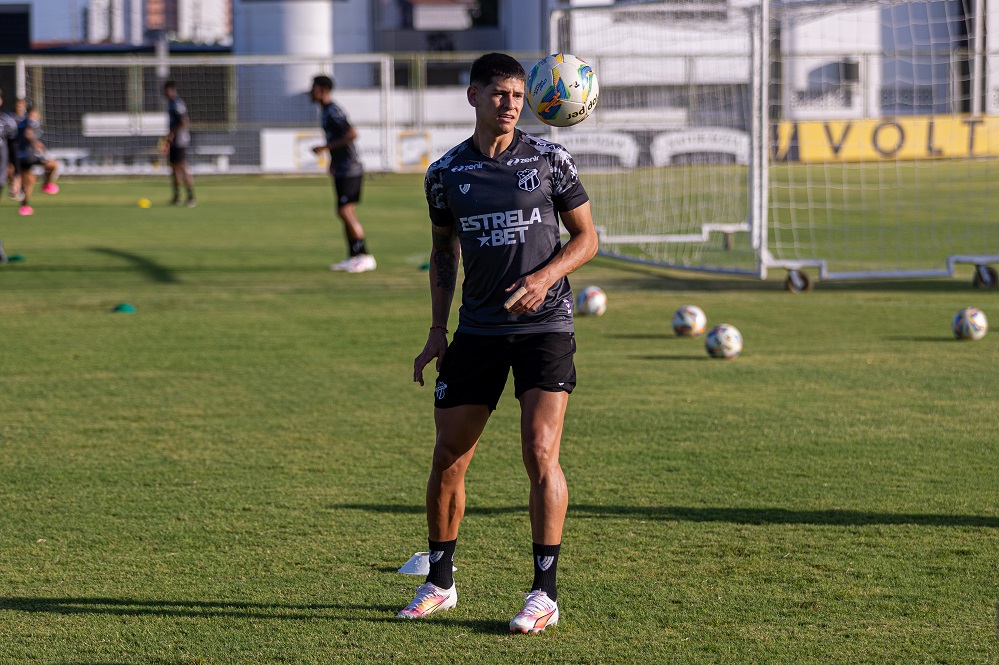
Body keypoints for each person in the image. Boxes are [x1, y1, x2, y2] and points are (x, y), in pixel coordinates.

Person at [402, 53, 599, 633]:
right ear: (473, 97)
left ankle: (544, 593)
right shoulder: (444, 174)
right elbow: (444, 252)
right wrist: (438, 331)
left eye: (517, 95)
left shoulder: (550, 159)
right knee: (448, 458)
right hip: (479, 331)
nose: (510, 104)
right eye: (498, 94)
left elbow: (587, 239)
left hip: (546, 327)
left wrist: (543, 279)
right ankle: (440, 582)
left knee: (541, 453)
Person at [309, 74, 375, 273]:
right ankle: (353, 256)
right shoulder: (325, 111)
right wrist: (331, 160)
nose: (310, 93)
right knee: (345, 211)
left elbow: (351, 133)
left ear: (322, 89)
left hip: (350, 168)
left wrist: (326, 147)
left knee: (345, 211)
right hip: (342, 167)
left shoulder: (333, 111)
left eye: (313, 88)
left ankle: (364, 255)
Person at [15, 106, 60, 216]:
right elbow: (28, 133)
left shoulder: (19, 123)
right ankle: (47, 185)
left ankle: (24, 206)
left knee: (29, 181)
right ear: (33, 114)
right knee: (53, 165)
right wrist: (36, 145)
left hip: (20, 156)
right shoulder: (31, 122)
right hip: (30, 156)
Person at [163, 81, 196, 207]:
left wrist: (172, 133)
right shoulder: (171, 103)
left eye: (166, 91)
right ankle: (177, 197)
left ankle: (191, 197)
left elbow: (184, 121)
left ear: (171, 90)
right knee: (174, 167)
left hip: (180, 140)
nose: (164, 94)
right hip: (173, 141)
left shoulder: (177, 103)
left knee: (182, 166)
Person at [5, 97, 25, 202]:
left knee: (20, 170)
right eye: (18, 105)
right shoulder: (9, 118)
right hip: (11, 147)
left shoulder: (26, 119)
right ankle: (14, 188)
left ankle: (19, 189)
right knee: (11, 169)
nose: (19, 107)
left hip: (23, 148)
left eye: (21, 105)